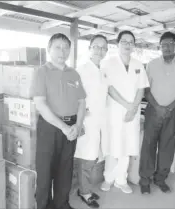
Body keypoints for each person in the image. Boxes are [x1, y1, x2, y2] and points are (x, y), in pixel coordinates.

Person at [33, 33, 86, 209]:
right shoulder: (42, 72)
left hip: (71, 128)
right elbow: (40, 104)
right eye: (57, 47)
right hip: (49, 127)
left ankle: (62, 203)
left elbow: (81, 102)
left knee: (65, 169)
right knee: (45, 171)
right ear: (49, 49)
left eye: (66, 47)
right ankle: (43, 205)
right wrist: (64, 127)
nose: (62, 51)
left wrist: (77, 126)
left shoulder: (74, 74)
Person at [139, 32, 175, 194]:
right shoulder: (152, 64)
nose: (167, 47)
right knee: (148, 145)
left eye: (170, 43)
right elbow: (146, 89)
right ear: (160, 46)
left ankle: (160, 179)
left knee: (167, 146)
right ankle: (145, 180)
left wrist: (169, 108)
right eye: (163, 44)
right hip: (153, 110)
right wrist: (158, 107)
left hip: (174, 111)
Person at [100, 30, 150, 194]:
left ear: (134, 46)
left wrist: (134, 108)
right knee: (113, 145)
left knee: (128, 146)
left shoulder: (138, 65)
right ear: (117, 44)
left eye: (131, 42)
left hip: (132, 112)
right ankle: (108, 178)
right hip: (114, 111)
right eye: (124, 41)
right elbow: (109, 88)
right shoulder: (108, 63)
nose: (127, 45)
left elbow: (141, 88)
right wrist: (128, 106)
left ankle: (121, 180)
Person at [74, 34, 109, 208]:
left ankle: (84, 188)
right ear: (90, 48)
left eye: (103, 47)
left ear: (106, 51)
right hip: (86, 120)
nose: (99, 50)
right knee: (86, 157)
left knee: (93, 155)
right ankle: (84, 192)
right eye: (96, 46)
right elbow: (73, 94)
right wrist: (81, 113)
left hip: (100, 120)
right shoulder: (81, 69)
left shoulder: (103, 70)